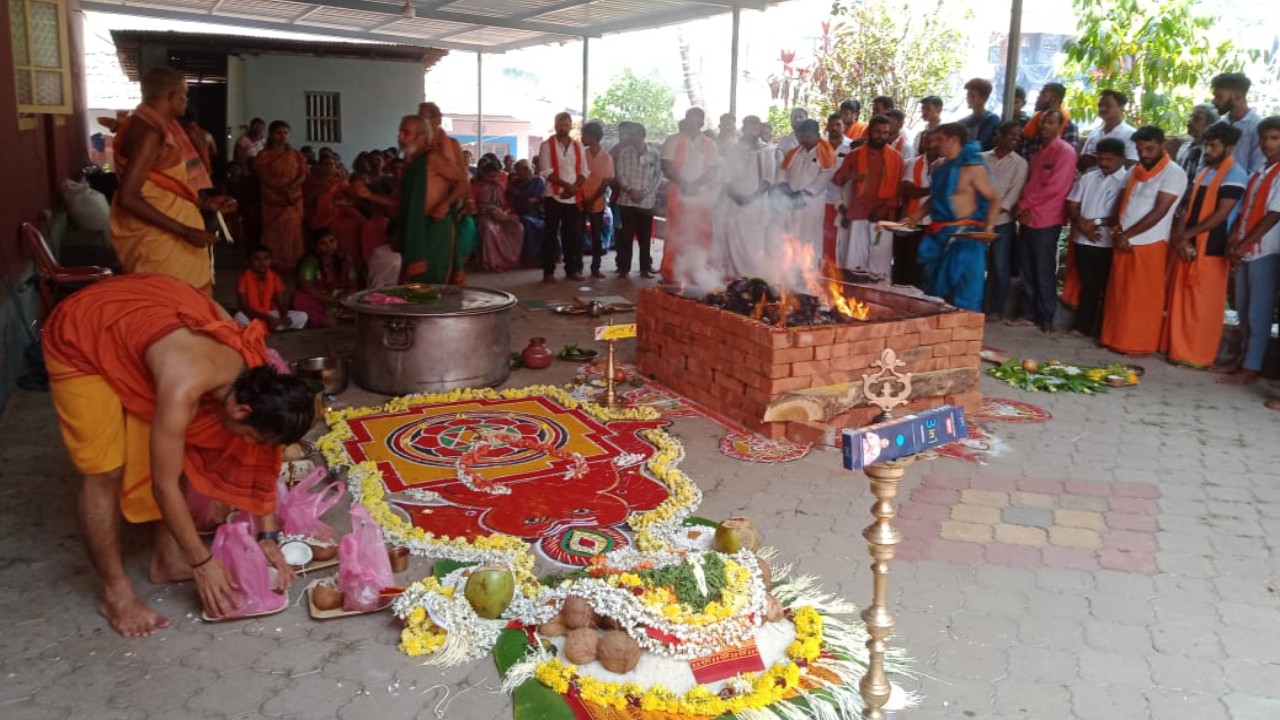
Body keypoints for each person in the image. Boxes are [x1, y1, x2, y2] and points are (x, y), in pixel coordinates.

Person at [43, 273, 315, 636]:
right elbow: (164, 484)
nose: (254, 448)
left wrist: (268, 538)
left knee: (193, 442)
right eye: (256, 437)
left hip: (147, 311)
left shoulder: (253, 370)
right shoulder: (183, 387)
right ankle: (115, 594)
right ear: (241, 412)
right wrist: (201, 561)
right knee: (105, 472)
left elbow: (260, 460)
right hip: (80, 332)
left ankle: (166, 558)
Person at [110, 68, 234, 296]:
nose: (186, 101)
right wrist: (185, 231)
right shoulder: (150, 133)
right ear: (170, 96)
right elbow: (129, 197)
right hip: (164, 242)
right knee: (177, 308)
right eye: (184, 95)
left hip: (170, 235)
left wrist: (205, 203)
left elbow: (164, 185)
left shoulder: (147, 125)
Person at [1161, 124, 1246, 366]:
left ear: (1229, 147)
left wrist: (1186, 236)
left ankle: (1197, 355)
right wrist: (1181, 236)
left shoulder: (1236, 174)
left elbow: (1221, 215)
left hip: (1212, 248)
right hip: (1189, 241)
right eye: (1206, 145)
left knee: (1203, 306)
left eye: (1213, 146)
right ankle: (1178, 350)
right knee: (1183, 301)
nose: (1207, 150)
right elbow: (1189, 207)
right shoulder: (1205, 171)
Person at [1100, 125, 1187, 355]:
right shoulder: (1135, 170)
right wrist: (1118, 231)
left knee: (1143, 298)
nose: (1145, 154)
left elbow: (1161, 210)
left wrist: (1127, 234)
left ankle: (1139, 344)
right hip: (1124, 240)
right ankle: (1115, 339)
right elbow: (1121, 202)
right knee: (1120, 295)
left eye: (1149, 148)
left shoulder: (1173, 173)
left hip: (1150, 242)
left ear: (1162, 145)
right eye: (1140, 150)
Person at [905, 123, 1001, 311]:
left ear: (954, 140)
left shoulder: (973, 168)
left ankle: (965, 336)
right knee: (934, 292)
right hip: (940, 237)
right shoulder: (940, 168)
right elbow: (935, 199)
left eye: (940, 140)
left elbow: (994, 199)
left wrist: (988, 228)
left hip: (967, 239)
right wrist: (913, 218)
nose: (935, 144)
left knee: (966, 293)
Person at [1216, 116, 1280, 394]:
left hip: (1266, 250)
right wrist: (1235, 237)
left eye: (1274, 138)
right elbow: (1245, 209)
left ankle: (1252, 367)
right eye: (1264, 138)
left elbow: (1273, 215)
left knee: (1258, 311)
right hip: (1246, 247)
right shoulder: (1259, 172)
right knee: (1242, 306)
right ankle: (1243, 359)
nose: (1267, 143)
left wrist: (1247, 242)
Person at [1011, 109, 1077, 332]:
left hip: (1047, 219)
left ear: (1060, 126)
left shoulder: (1065, 152)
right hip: (1029, 218)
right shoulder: (1038, 154)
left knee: (1044, 268)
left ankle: (1048, 316)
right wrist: (1023, 208)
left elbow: (1057, 188)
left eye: (1049, 122)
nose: (1044, 126)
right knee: (1027, 268)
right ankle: (1029, 313)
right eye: (1042, 122)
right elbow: (1030, 185)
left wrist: (1025, 206)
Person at [1063, 138, 1129, 337]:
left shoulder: (1127, 182)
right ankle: (1083, 327)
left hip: (1107, 243)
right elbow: (1072, 204)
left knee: (1107, 288)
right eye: (1100, 159)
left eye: (1109, 159)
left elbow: (1122, 213)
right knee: (1088, 285)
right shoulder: (1088, 178)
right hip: (1083, 240)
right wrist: (1082, 224)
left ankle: (1104, 330)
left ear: (1121, 159)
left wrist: (1096, 223)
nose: (1104, 163)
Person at [834, 115, 903, 277]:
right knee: (854, 266)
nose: (882, 136)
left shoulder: (896, 158)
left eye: (885, 133)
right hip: (858, 215)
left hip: (883, 216)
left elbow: (897, 190)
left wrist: (884, 209)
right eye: (878, 132)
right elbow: (837, 180)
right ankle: (853, 300)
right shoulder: (854, 155)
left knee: (880, 265)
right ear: (869, 132)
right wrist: (852, 176)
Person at [660, 108, 720, 282]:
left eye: (696, 119)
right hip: (679, 195)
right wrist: (684, 183)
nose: (692, 122)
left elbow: (714, 169)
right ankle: (672, 272)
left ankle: (699, 272)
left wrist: (696, 184)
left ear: (702, 122)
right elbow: (666, 166)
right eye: (689, 118)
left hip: (701, 197)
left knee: (701, 233)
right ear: (685, 119)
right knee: (676, 232)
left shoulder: (710, 144)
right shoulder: (673, 140)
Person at [718, 115, 776, 280]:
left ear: (759, 130)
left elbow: (768, 180)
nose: (752, 131)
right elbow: (726, 179)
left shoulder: (767, 151)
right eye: (749, 127)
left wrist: (751, 198)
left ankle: (754, 279)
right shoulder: (733, 151)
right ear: (743, 129)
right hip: (736, 203)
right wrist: (737, 197)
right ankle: (736, 278)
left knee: (754, 244)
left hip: (757, 205)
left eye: (755, 128)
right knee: (735, 242)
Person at [982, 121, 1029, 321]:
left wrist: (989, 217)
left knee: (1000, 267)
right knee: (979, 266)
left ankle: (996, 310)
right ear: (999, 134)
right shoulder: (981, 158)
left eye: (1019, 137)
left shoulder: (1020, 164)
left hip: (1002, 222)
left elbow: (1011, 197)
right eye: (1012, 135)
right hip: (977, 221)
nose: (1015, 140)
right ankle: (979, 306)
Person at [775, 119, 836, 271]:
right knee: (789, 240)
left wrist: (803, 194)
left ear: (817, 135)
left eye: (808, 137)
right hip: (790, 204)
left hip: (810, 205)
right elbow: (782, 173)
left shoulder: (827, 153)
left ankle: (809, 280)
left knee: (809, 242)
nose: (805, 140)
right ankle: (789, 276)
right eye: (802, 136)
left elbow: (824, 178)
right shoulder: (794, 152)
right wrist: (784, 188)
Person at [539, 112, 589, 282]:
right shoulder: (547, 145)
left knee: (572, 235)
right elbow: (546, 171)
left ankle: (571, 270)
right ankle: (548, 272)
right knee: (551, 234)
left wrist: (574, 188)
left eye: (567, 124)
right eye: (561, 124)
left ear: (571, 126)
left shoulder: (578, 147)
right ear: (555, 125)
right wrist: (566, 186)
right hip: (553, 195)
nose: (564, 127)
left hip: (573, 196)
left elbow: (584, 171)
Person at [254, 121, 308, 271]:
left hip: (294, 197)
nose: (282, 136)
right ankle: (273, 262)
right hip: (273, 198)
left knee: (293, 229)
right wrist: (283, 190)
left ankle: (293, 262)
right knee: (275, 230)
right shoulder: (264, 155)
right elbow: (265, 176)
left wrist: (291, 187)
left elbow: (302, 173)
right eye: (279, 133)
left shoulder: (296, 155)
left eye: (285, 133)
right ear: (271, 134)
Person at [613, 123, 663, 278]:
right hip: (627, 200)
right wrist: (630, 190)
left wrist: (645, 192)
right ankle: (624, 268)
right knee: (625, 236)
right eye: (630, 134)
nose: (631, 137)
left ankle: (644, 268)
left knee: (645, 237)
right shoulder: (624, 153)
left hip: (646, 201)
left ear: (642, 136)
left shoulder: (654, 154)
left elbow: (657, 176)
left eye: (634, 134)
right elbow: (620, 173)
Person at [294, 227, 359, 327]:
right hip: (319, 298)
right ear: (316, 246)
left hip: (342, 297)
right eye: (323, 243)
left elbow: (353, 283)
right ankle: (325, 320)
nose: (329, 246)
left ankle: (343, 318)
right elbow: (306, 286)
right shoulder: (310, 261)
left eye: (332, 241)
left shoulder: (345, 259)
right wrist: (329, 298)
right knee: (299, 298)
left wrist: (345, 296)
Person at [470, 156, 524, 273]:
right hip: (484, 215)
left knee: (518, 227)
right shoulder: (475, 186)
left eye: (495, 176)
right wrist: (489, 209)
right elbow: (472, 206)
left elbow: (505, 204)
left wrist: (505, 213)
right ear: (483, 174)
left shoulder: (498, 186)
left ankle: (509, 260)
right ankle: (492, 262)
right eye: (490, 176)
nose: (492, 179)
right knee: (490, 229)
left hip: (500, 215)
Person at [896, 130, 935, 288]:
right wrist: (935, 190)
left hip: (936, 224)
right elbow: (907, 191)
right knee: (909, 266)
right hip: (914, 221)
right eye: (927, 141)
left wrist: (924, 190)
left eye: (934, 141)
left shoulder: (946, 164)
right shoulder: (913, 163)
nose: (930, 144)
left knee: (927, 269)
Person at [236, 245, 306, 331]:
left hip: (271, 313)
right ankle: (271, 327)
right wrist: (267, 319)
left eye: (266, 259)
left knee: (303, 316)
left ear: (271, 260)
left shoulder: (275, 278)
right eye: (257, 259)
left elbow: (281, 303)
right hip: (253, 314)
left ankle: (262, 328)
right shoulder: (243, 279)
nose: (262, 263)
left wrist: (284, 315)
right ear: (249, 262)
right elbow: (243, 307)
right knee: (239, 317)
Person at [1211, 73, 1265, 175]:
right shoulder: (1218, 125)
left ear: (1236, 96)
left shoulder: (1257, 126)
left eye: (1219, 97)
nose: (1214, 101)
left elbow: (1258, 167)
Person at [581, 121, 616, 278]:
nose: (582, 138)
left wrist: (592, 199)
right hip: (580, 199)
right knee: (577, 234)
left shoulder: (606, 158)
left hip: (597, 201)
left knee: (596, 235)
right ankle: (577, 267)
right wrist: (583, 198)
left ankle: (596, 267)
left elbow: (605, 182)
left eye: (585, 135)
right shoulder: (581, 155)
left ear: (593, 137)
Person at [1078, 89, 1138, 171]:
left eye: (1108, 105)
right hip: (1089, 182)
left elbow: (1132, 164)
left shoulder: (1131, 134)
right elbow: (1082, 163)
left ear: (1121, 108)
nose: (1103, 109)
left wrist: (1097, 159)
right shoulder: (1094, 133)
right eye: (1100, 105)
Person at [824, 113, 854, 270]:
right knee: (824, 239)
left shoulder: (852, 147)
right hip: (823, 199)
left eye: (838, 125)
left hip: (843, 202)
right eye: (832, 125)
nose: (834, 128)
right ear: (827, 127)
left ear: (844, 127)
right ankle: (823, 272)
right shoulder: (820, 146)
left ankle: (838, 275)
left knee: (841, 240)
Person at [506, 159, 548, 268]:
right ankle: (529, 257)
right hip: (520, 211)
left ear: (526, 170)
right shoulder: (515, 183)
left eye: (519, 170)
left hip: (536, 212)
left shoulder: (538, 181)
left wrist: (533, 200)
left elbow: (541, 197)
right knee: (524, 220)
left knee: (530, 222)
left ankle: (536, 257)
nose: (517, 173)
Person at [1020, 83, 1079, 160]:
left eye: (1043, 95)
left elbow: (1068, 157)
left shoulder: (1069, 126)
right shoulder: (1034, 122)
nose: (1038, 98)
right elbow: (1024, 154)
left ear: (1055, 99)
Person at [1175, 104, 1220, 182]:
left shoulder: (1213, 152)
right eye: (1190, 117)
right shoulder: (1184, 148)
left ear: (1210, 124)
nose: (1190, 121)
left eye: (1196, 119)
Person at [960, 78, 1001, 151]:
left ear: (984, 98)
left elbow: (983, 144)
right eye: (967, 95)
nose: (968, 99)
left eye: (972, 96)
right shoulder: (963, 121)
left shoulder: (991, 119)